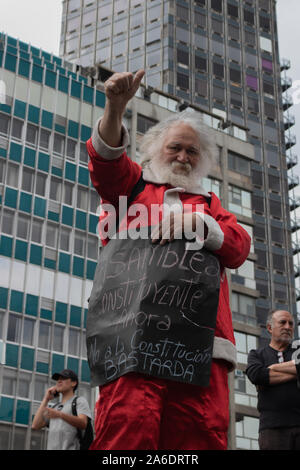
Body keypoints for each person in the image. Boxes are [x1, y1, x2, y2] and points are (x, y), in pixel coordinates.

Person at [86, 69, 251, 450]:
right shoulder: (130, 188)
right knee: (126, 434)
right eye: (175, 147)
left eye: (192, 151)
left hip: (200, 348)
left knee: (199, 439)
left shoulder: (210, 205)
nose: (183, 156)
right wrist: (115, 107)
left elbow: (238, 247)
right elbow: (106, 162)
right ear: (153, 150)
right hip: (129, 340)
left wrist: (198, 222)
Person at [246, 310, 300, 450]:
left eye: (291, 324)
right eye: (282, 322)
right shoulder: (256, 354)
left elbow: (265, 375)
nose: (288, 327)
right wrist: (296, 372)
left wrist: (274, 367)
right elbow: (257, 375)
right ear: (270, 328)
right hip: (272, 429)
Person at [32, 369, 92, 450]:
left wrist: (59, 415)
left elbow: (83, 423)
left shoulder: (79, 401)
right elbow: (35, 425)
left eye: (63, 378)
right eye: (58, 379)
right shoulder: (55, 407)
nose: (59, 381)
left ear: (73, 383)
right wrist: (46, 399)